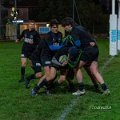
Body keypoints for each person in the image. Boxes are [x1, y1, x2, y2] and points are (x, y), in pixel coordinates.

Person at [61, 17, 110, 96]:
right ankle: (105, 89)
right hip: (95, 49)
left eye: (64, 26)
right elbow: (90, 37)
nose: (64, 28)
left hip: (88, 50)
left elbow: (78, 44)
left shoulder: (74, 30)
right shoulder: (81, 27)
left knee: (75, 67)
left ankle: (81, 89)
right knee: (94, 70)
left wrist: (71, 48)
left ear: (69, 25)